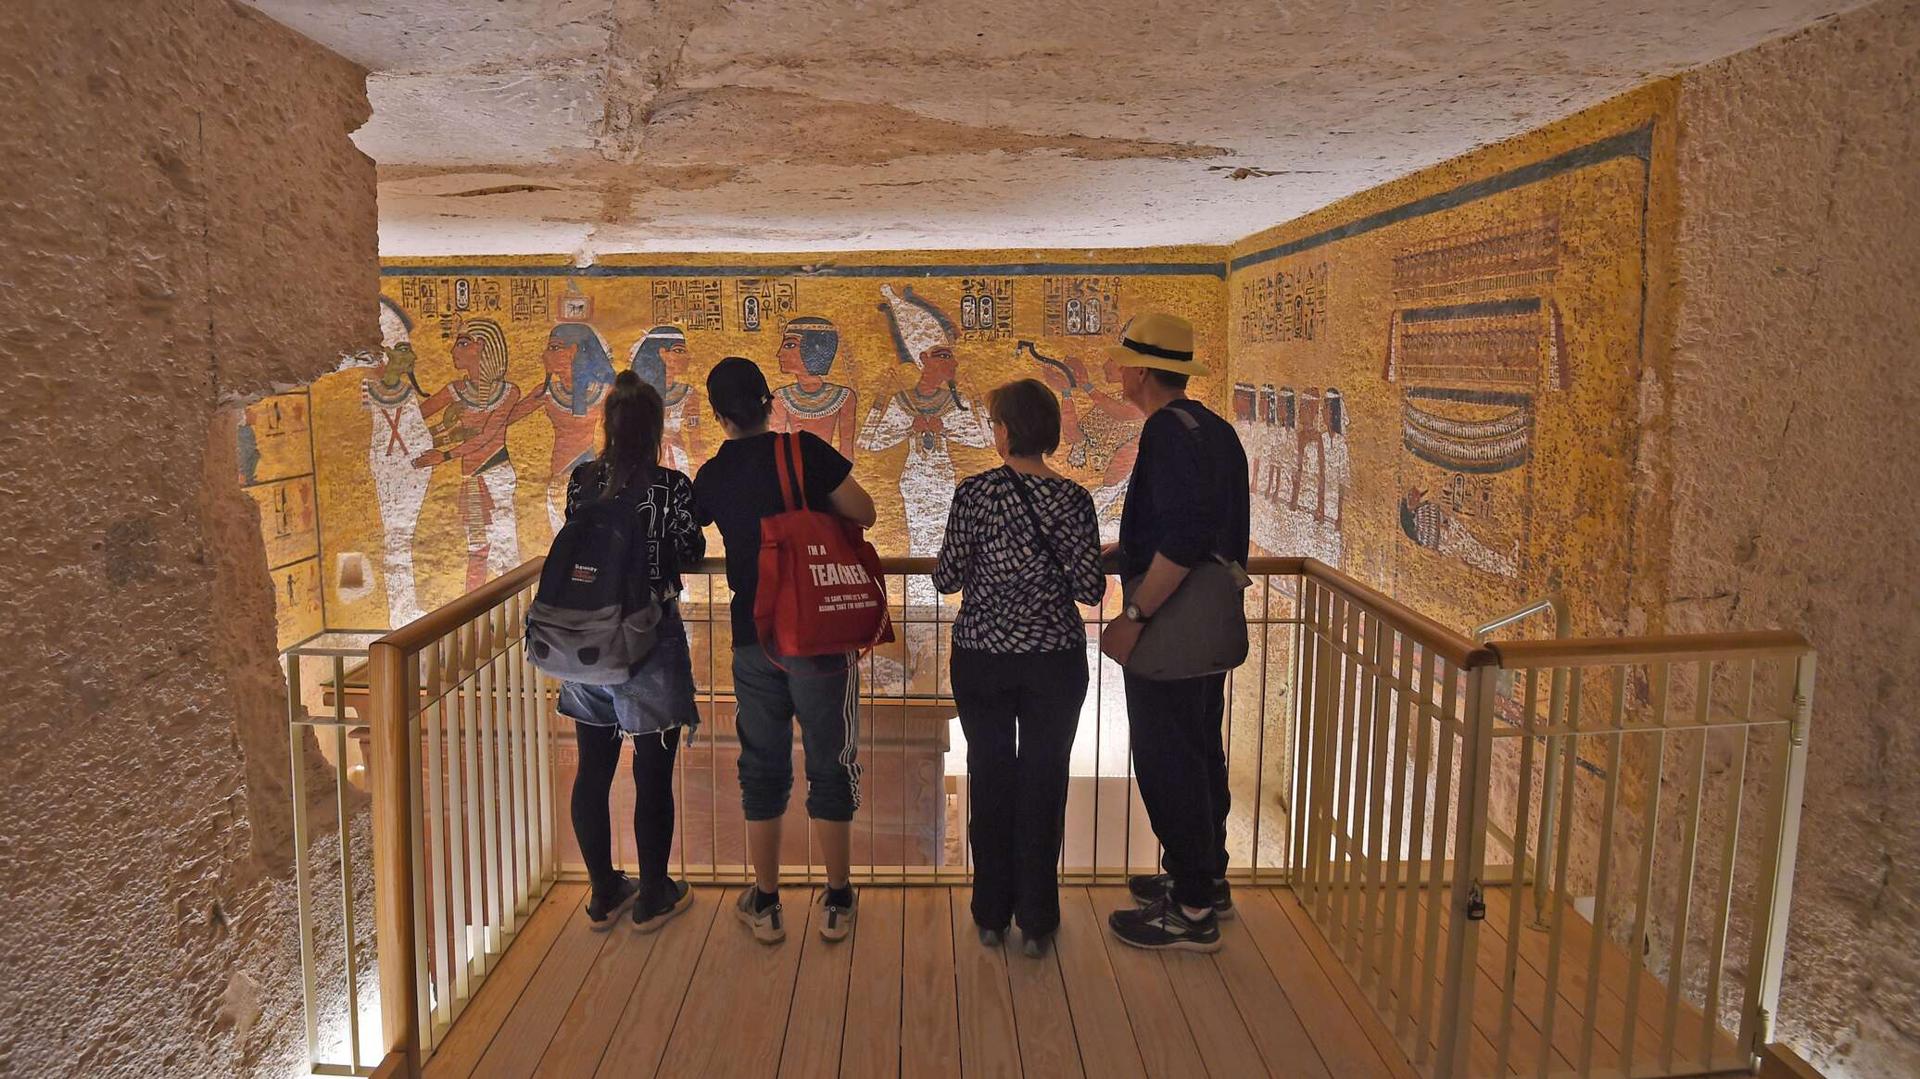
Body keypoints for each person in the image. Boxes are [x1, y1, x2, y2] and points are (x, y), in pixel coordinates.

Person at [693, 357, 878, 945]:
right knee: (831, 759)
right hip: (819, 632)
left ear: (718, 416)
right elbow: (865, 511)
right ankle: (838, 898)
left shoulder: (714, 474)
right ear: (770, 402)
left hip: (755, 638)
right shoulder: (805, 452)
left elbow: (689, 531)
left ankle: (767, 900)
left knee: (762, 765)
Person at [933, 379, 1104, 957]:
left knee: (989, 775)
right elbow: (1089, 588)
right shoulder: (1074, 500)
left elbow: (947, 578)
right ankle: (1037, 920)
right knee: (1044, 780)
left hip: (982, 657)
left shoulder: (975, 494)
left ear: (1005, 431)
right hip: (1053, 660)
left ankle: (990, 914)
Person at [1096, 313, 1251, 953]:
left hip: (1171, 624)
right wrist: (1127, 551)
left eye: (1123, 362)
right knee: (1200, 752)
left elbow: (1185, 539)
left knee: (1168, 762)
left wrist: (1133, 617)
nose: (1117, 371)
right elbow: (1204, 530)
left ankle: (1190, 910)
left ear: (1140, 370)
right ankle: (1205, 878)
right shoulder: (1212, 428)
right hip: (1209, 623)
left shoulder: (1165, 432)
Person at [554, 371, 705, 931]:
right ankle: (653, 894)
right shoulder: (670, 487)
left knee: (592, 769)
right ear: (656, 429)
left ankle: (603, 891)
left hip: (585, 639)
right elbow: (691, 548)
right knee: (652, 773)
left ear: (609, 426)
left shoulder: (582, 480)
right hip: (648, 640)